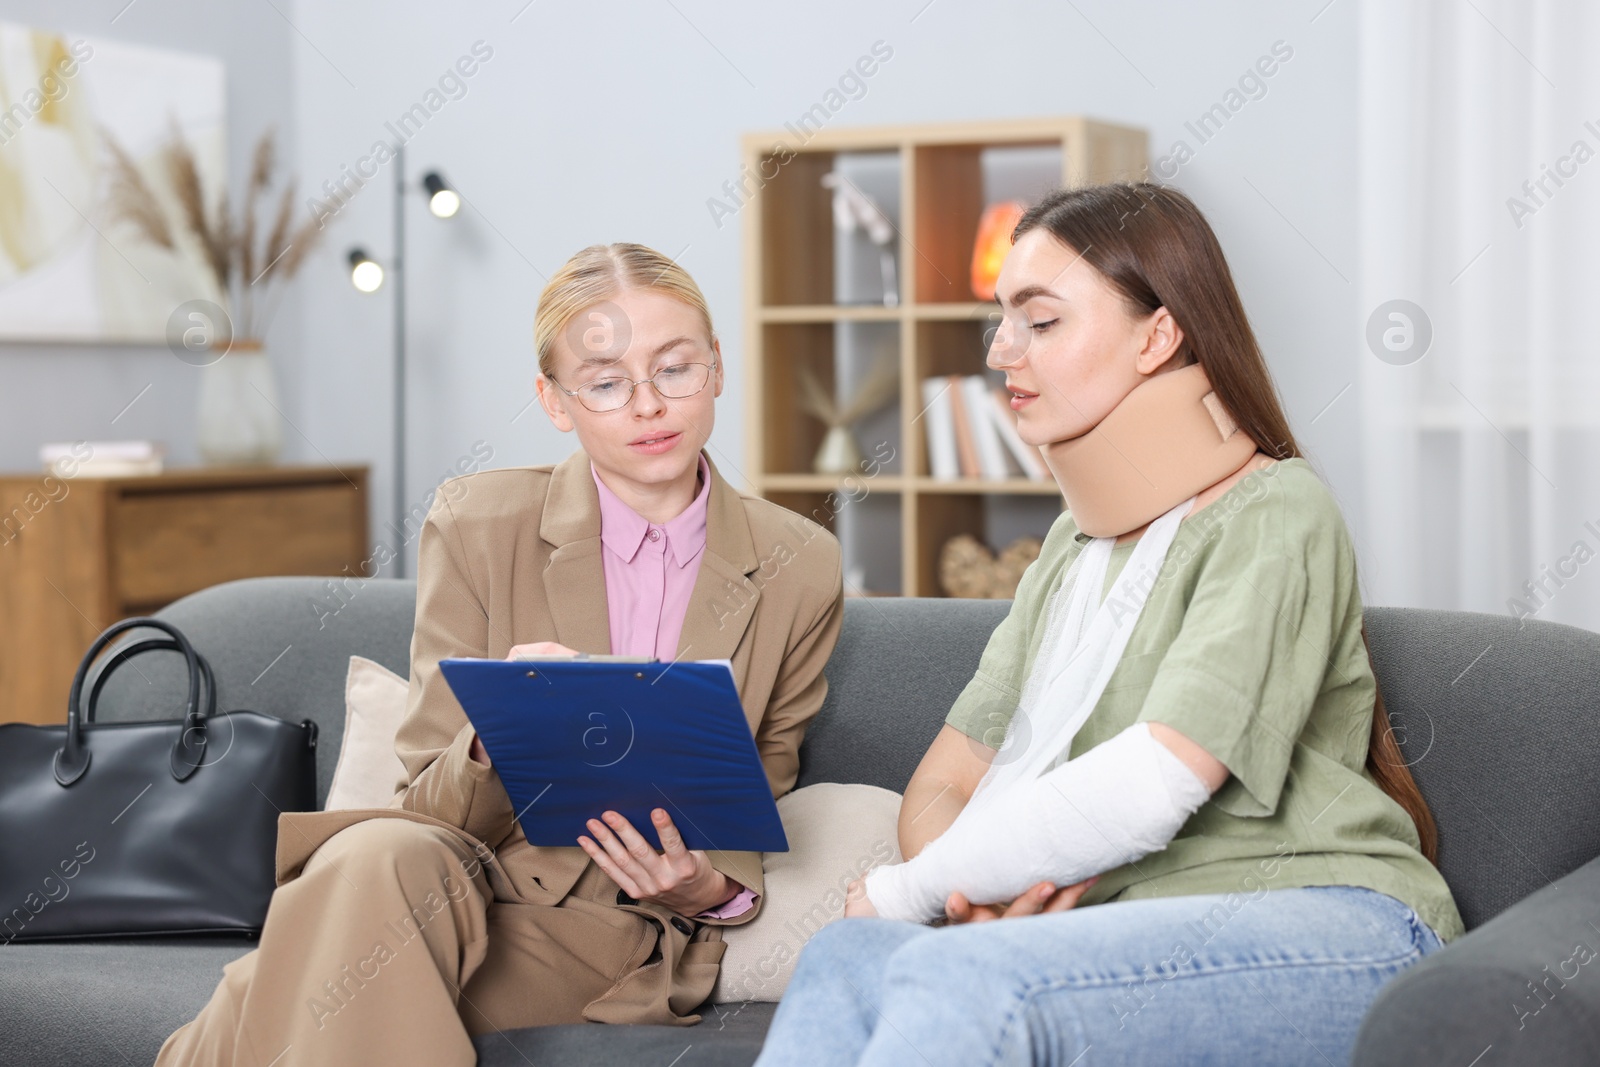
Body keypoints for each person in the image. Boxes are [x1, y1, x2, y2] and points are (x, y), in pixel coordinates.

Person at [752, 183, 1465, 1067]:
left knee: (958, 976)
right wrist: (988, 893)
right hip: (1121, 929)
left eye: (1040, 321)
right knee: (846, 954)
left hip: (1327, 915)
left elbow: (1156, 779)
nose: (1001, 351)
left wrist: (920, 888)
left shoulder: (1276, 512)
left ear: (1157, 335)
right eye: (1001, 320)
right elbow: (947, 779)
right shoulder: (1072, 546)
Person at [155, 243, 844, 1066]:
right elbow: (424, 809)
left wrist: (708, 888)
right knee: (373, 851)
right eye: (606, 382)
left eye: (676, 368)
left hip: (608, 926)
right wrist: (494, 736)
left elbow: (759, 784)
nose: (650, 405)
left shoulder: (800, 562)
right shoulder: (477, 524)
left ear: (719, 368)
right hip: (449, 871)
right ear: (556, 401)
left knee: (283, 986)